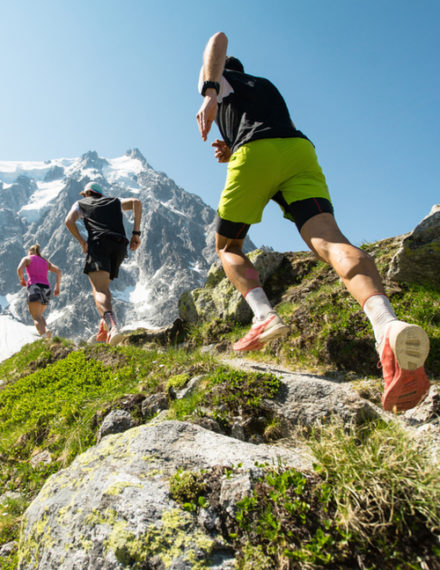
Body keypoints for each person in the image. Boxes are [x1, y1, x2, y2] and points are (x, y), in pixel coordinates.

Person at [196, 31, 430, 412]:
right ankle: (386, 326)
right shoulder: (263, 86)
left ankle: (263, 316)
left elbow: (216, 39)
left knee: (228, 247)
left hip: (256, 156)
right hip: (298, 152)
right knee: (330, 241)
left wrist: (208, 91)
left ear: (222, 74)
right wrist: (231, 144)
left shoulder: (219, 79)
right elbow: (256, 124)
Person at [65, 182, 142, 346]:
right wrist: (136, 233)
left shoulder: (81, 204)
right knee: (104, 287)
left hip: (99, 243)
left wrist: (82, 242)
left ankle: (113, 327)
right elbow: (137, 202)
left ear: (86, 194)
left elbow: (69, 221)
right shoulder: (113, 201)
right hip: (120, 245)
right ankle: (104, 328)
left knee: (98, 289)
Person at [17, 243, 62, 339]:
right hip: (46, 288)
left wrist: (22, 279)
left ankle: (44, 336)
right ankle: (46, 330)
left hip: (34, 286)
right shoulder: (45, 261)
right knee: (40, 315)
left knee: (35, 317)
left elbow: (19, 269)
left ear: (30, 251)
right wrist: (57, 287)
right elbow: (58, 271)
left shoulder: (27, 259)